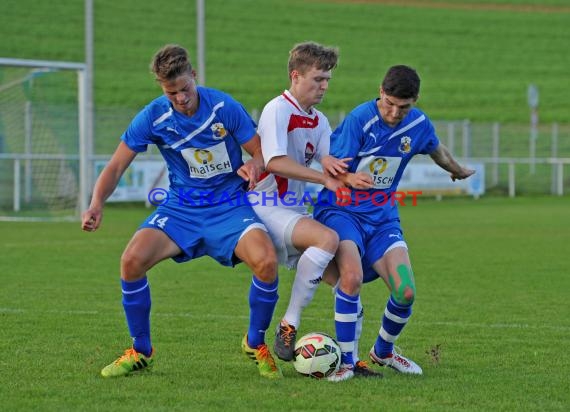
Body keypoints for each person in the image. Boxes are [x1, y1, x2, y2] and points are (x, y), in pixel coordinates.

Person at [81, 44, 282, 379]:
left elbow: (260, 151)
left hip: (228, 206)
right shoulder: (154, 116)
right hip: (181, 209)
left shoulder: (223, 106)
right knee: (131, 261)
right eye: (171, 92)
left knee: (267, 262)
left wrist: (254, 167)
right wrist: (96, 203)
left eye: (185, 89)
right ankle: (140, 351)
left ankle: (255, 343)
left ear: (195, 76)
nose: (180, 98)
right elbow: (116, 166)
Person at [314, 64, 475, 381]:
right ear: (380, 92)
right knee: (351, 279)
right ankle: (347, 361)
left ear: (415, 101)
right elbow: (329, 164)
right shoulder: (361, 119)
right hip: (341, 212)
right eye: (389, 103)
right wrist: (348, 176)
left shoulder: (417, 123)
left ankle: (383, 352)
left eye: (404, 107)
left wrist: (455, 169)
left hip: (383, 218)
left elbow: (435, 148)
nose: (394, 112)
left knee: (406, 292)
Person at [249, 42, 369, 371]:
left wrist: (348, 176)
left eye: (328, 79)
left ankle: (351, 361)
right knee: (327, 238)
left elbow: (329, 162)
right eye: (318, 79)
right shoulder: (278, 109)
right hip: (266, 207)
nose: (324, 86)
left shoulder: (319, 121)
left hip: (294, 213)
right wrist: (323, 179)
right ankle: (288, 324)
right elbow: (274, 162)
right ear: (295, 76)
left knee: (349, 282)